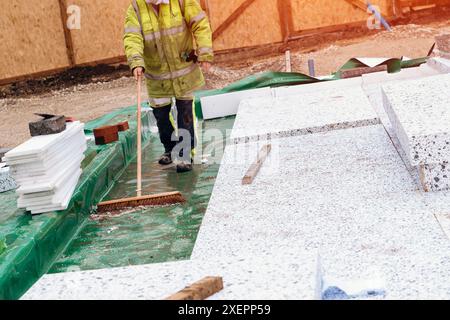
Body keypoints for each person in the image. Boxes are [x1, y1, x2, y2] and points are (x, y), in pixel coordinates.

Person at [123, 0, 213, 173]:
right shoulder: (136, 7)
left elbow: (200, 24)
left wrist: (205, 52)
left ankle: (185, 154)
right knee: (161, 115)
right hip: (157, 75)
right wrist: (136, 61)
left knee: (185, 112)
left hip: (183, 71)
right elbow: (132, 37)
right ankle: (170, 148)